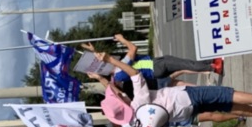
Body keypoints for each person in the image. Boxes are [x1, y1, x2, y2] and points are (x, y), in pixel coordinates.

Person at [94, 51, 252, 126]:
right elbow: (135, 75)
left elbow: (116, 90)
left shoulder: (137, 117)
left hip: (184, 114)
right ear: (120, 98)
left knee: (226, 106)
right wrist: (110, 60)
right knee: (225, 95)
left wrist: (99, 78)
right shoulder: (139, 100)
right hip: (185, 98)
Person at [84, 34, 225, 90]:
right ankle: (215, 67)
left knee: (185, 65)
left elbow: (101, 65)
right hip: (155, 65)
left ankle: (211, 62)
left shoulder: (116, 77)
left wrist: (93, 51)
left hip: (155, 73)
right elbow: (133, 48)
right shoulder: (121, 67)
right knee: (185, 64)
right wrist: (122, 40)